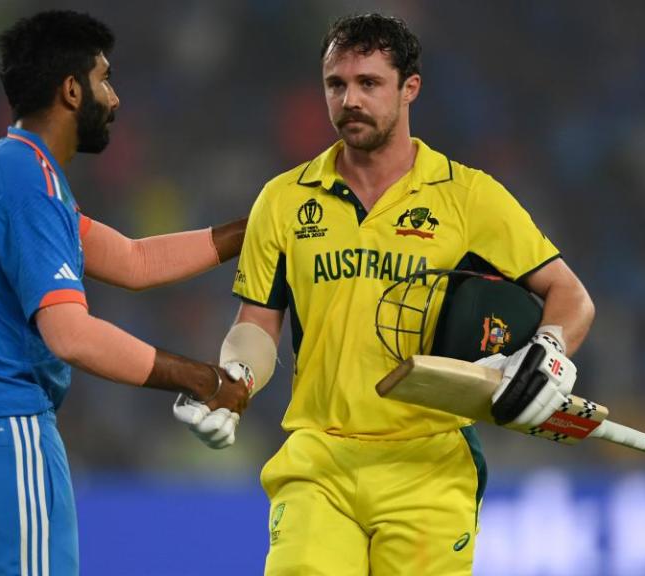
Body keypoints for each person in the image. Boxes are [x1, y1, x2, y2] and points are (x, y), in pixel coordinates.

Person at [173, 13, 595, 576]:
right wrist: (238, 379)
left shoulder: (469, 197)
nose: (350, 99)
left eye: (368, 84)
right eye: (336, 84)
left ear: (409, 88)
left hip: (429, 464)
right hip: (318, 461)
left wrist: (546, 353)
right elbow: (257, 323)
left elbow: (570, 296)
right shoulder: (282, 200)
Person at [0, 10, 250, 575]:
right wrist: (203, 378)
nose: (115, 98)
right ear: (72, 90)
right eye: (105, 79)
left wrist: (255, 230)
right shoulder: (31, 183)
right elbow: (70, 336)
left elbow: (133, 259)